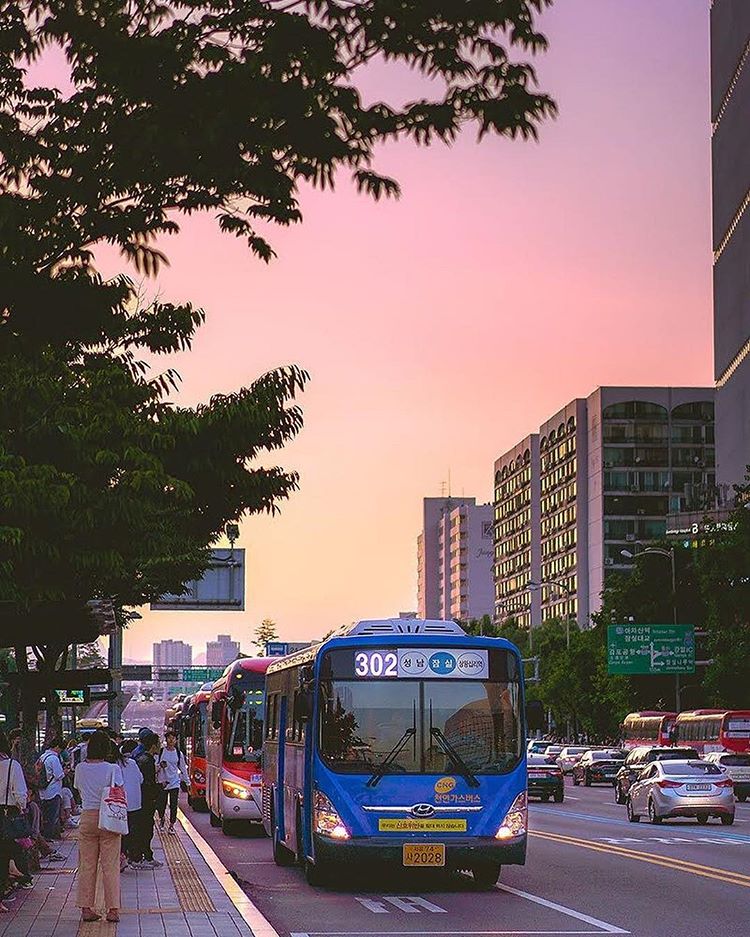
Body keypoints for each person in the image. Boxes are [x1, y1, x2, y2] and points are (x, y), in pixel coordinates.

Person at [73, 729, 124, 923]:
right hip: (108, 818)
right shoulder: (112, 768)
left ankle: (86, 908)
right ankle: (112, 910)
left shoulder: (80, 768)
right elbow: (118, 788)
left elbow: (78, 788)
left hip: (87, 817)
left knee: (87, 865)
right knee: (110, 866)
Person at [0, 729, 29, 913]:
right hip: (6, 813)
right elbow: (20, 793)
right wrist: (21, 806)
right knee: (3, 853)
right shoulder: (11, 765)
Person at [132, 733, 162, 869]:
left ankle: (144, 856)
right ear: (153, 745)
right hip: (146, 800)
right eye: (159, 743)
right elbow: (148, 782)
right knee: (146, 828)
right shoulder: (148, 761)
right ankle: (142, 857)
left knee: (142, 827)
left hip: (140, 798)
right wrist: (159, 788)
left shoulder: (140, 758)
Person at [155, 731, 189, 834]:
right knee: (162, 804)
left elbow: (182, 767)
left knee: (174, 804)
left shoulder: (178, 753)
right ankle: (162, 819)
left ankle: (171, 825)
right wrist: (160, 765)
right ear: (166, 740)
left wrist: (187, 782)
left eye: (173, 738)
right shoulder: (161, 752)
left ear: (176, 740)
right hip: (163, 782)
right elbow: (155, 766)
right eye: (169, 738)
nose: (171, 740)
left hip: (174, 782)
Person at [119, 741, 142, 870]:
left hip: (119, 804)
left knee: (121, 832)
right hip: (134, 804)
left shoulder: (115, 764)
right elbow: (141, 779)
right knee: (131, 831)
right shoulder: (132, 763)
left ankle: (122, 856)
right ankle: (129, 856)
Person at [37, 737, 65, 841]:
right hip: (53, 790)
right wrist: (64, 772)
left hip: (43, 789)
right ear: (57, 747)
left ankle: (46, 834)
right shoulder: (54, 758)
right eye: (61, 749)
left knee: (45, 814)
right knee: (52, 815)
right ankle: (50, 835)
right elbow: (59, 775)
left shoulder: (43, 756)